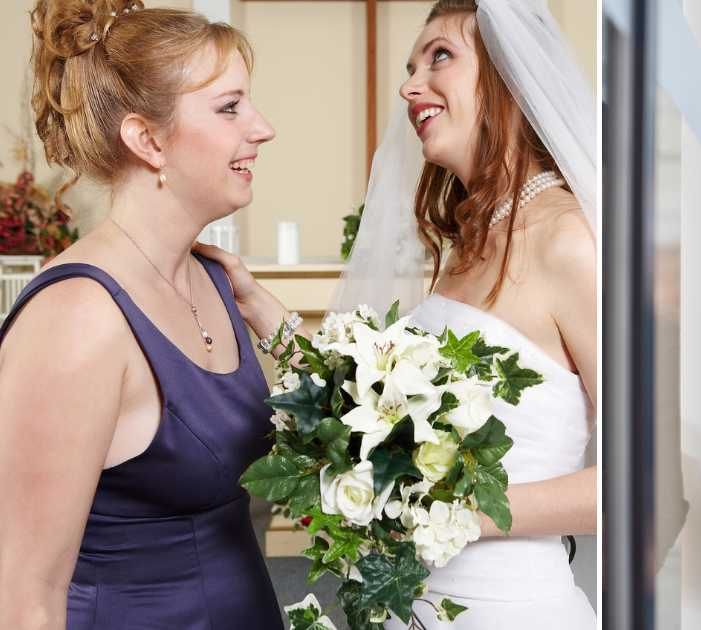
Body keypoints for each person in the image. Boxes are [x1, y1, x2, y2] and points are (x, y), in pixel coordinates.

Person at [196, 0, 597, 627]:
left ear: (512, 75)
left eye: (441, 56)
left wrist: (452, 515)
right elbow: (364, 399)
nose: (410, 86)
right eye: (411, 65)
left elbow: (632, 486)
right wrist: (259, 305)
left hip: (509, 609)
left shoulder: (568, 239)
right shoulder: (469, 240)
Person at [0, 2, 281, 628]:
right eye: (230, 107)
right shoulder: (77, 319)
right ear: (148, 139)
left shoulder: (216, 281)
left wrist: (266, 309)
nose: (262, 128)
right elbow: (23, 597)